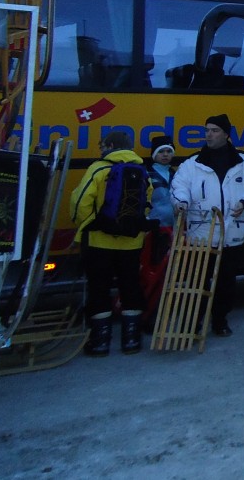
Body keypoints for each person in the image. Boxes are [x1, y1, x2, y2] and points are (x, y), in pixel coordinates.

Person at [170, 114, 244, 337]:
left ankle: (220, 319)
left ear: (226, 134)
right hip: (200, 234)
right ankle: (194, 321)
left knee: (225, 281)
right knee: (197, 281)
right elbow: (179, 185)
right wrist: (181, 202)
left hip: (231, 232)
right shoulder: (193, 163)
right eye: (207, 130)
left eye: (214, 130)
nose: (209, 134)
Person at [70, 129, 150, 356]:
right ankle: (131, 340)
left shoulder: (98, 169)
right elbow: (147, 203)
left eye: (103, 145)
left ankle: (100, 342)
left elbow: (81, 202)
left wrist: (84, 226)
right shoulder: (142, 170)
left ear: (111, 146)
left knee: (99, 288)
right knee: (130, 286)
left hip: (99, 241)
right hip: (131, 243)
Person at [138, 134, 176, 332]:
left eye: (169, 151)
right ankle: (147, 316)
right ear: (154, 154)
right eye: (161, 151)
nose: (165, 155)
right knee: (151, 275)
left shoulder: (176, 173)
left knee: (167, 276)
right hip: (155, 232)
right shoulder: (146, 174)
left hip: (173, 231)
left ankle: (159, 313)